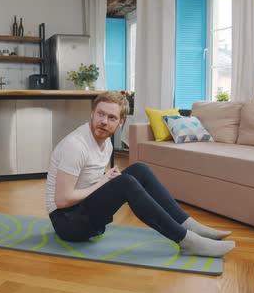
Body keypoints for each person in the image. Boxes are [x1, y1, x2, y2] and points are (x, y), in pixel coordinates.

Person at [45, 91, 235, 257]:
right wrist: (103, 182)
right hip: (67, 223)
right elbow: (62, 200)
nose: (104, 121)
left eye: (111, 118)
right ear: (92, 113)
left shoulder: (106, 142)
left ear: (121, 123)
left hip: (82, 213)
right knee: (125, 183)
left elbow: (88, 180)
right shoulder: (76, 145)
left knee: (139, 170)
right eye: (100, 114)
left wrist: (105, 182)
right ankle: (186, 241)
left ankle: (190, 225)